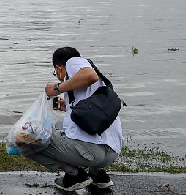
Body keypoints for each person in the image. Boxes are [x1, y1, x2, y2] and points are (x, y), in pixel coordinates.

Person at [23, 47, 124, 192]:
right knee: (60, 125)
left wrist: (57, 88)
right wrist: (68, 106)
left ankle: (75, 175)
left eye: (55, 72)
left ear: (58, 68)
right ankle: (97, 175)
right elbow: (92, 114)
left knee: (25, 138)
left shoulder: (73, 62)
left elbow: (89, 76)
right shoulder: (98, 85)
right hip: (112, 153)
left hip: (91, 152)